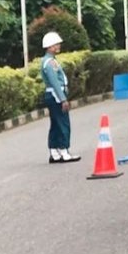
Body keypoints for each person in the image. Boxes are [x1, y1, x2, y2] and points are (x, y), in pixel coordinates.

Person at [39, 31, 80, 164]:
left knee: (56, 124)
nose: (58, 46)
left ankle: (54, 151)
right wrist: (63, 99)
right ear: (50, 46)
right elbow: (55, 82)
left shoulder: (48, 61)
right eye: (56, 44)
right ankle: (63, 150)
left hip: (53, 95)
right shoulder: (50, 62)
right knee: (63, 123)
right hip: (56, 95)